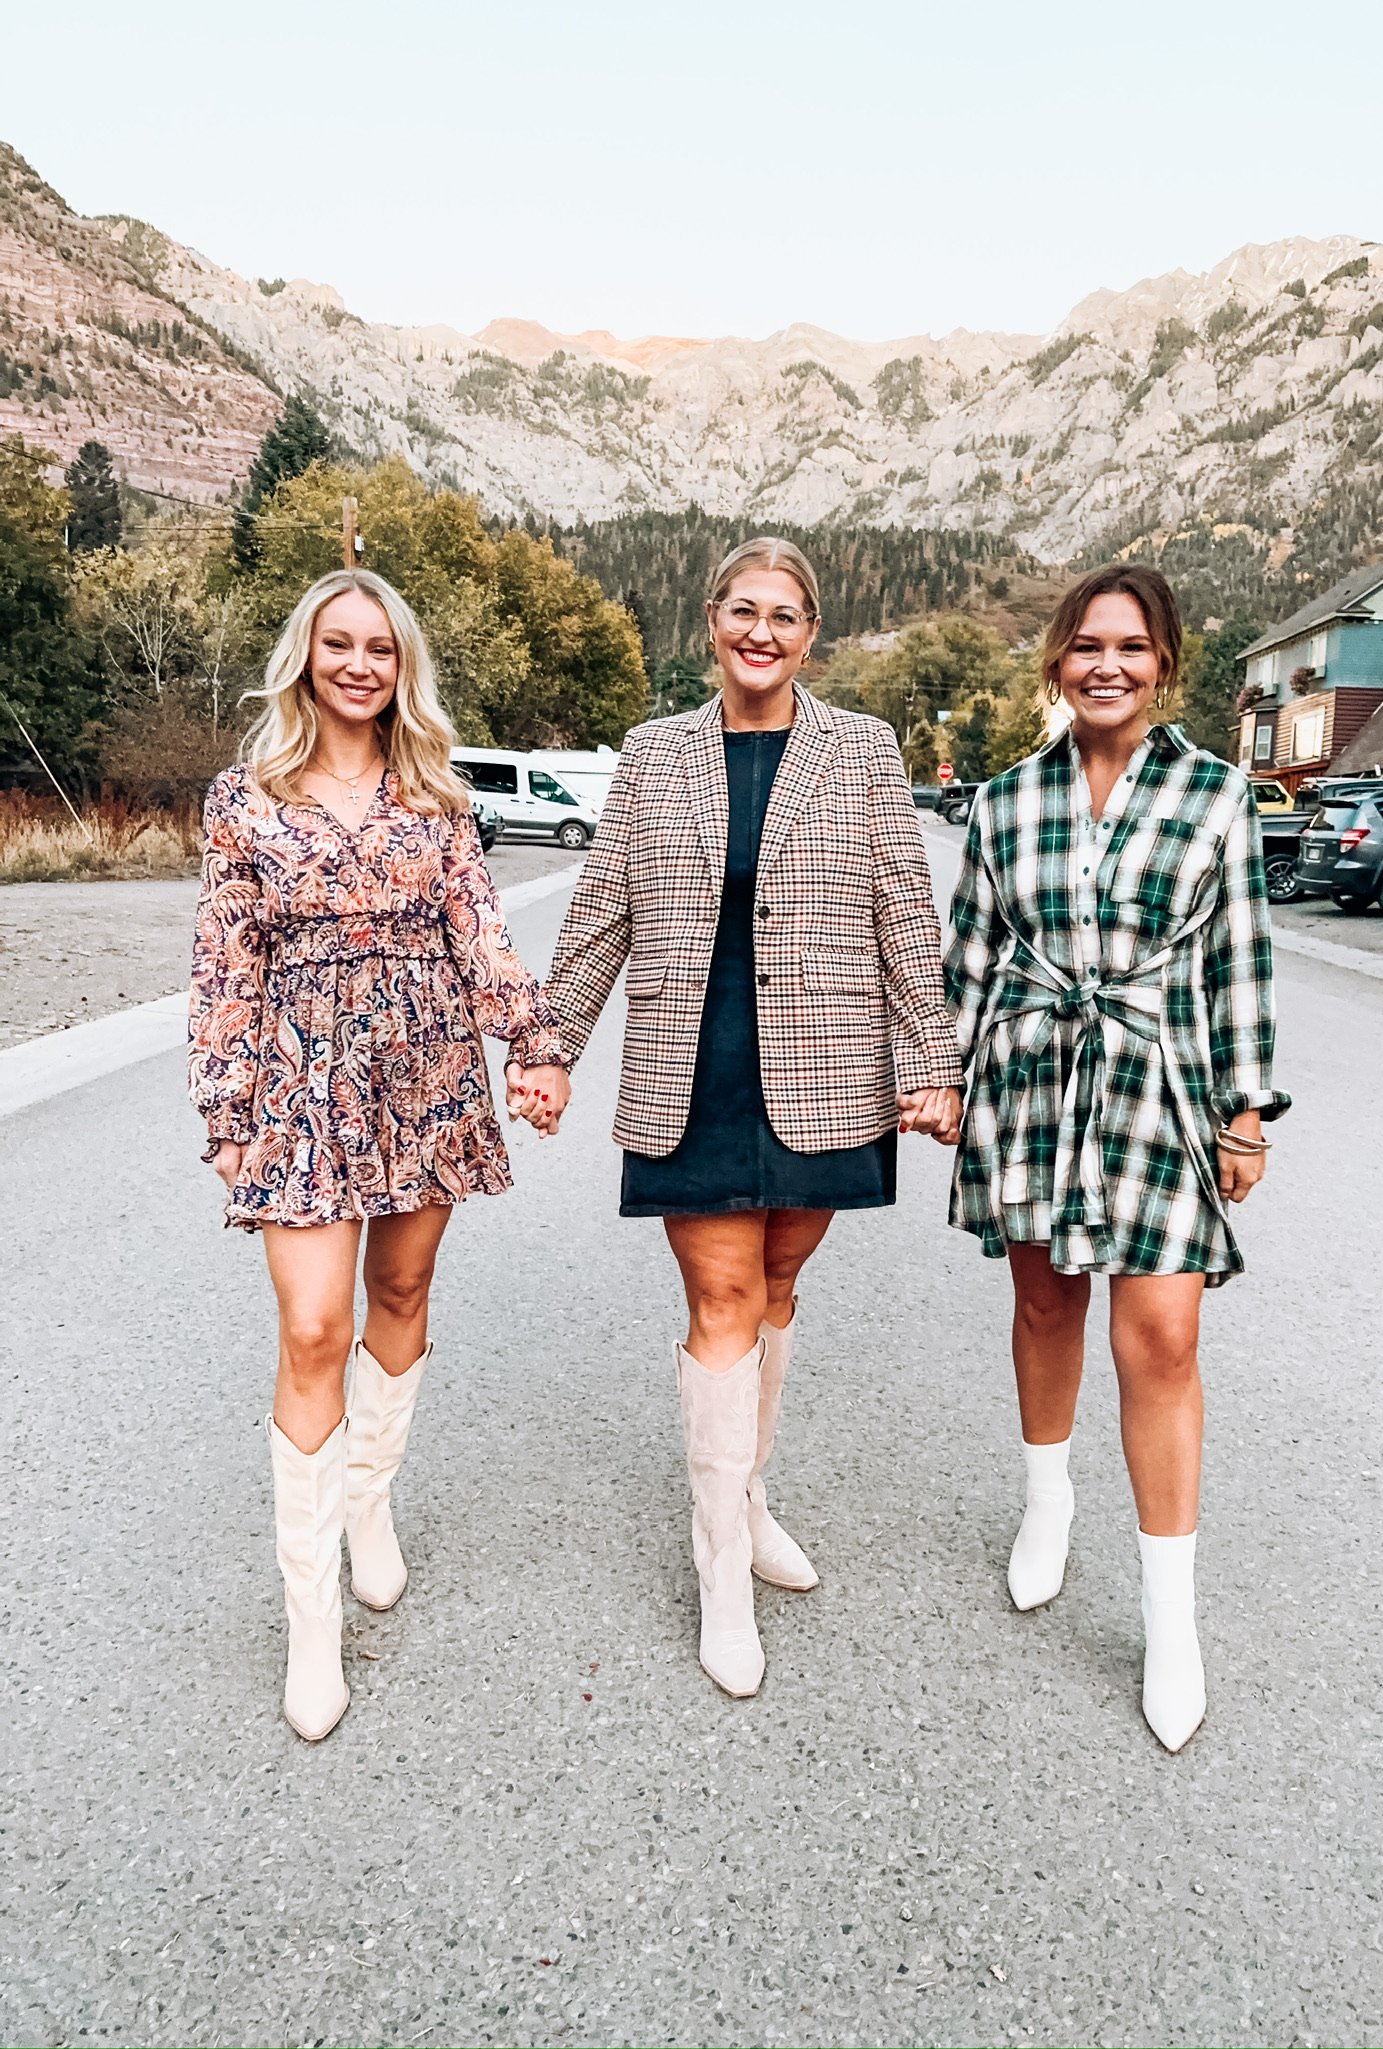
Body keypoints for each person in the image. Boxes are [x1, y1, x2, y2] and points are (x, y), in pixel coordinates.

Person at [544, 537, 961, 1698]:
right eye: (742, 610)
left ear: (810, 635)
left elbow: (902, 912)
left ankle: (749, 1490)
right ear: (712, 624)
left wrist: (933, 1060)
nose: (761, 631)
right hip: (694, 1060)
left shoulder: (863, 752)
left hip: (824, 1064)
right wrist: (549, 1049)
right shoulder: (652, 756)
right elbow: (599, 915)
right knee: (722, 1296)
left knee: (778, 1286)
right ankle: (720, 1566)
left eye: (785, 615)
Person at [189, 568, 570, 1741]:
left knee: (400, 1290)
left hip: (424, 1069)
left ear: (403, 666)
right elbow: (222, 962)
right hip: (300, 1080)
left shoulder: (436, 798)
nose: (358, 664)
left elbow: (482, 936)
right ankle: (312, 1627)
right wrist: (226, 1106)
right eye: (337, 644)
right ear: (305, 655)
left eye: (380, 648)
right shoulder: (244, 798)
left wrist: (535, 1043)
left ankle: (370, 1507)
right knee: (311, 1327)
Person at [945, 564, 1288, 1752]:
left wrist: (1246, 1112)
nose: (1107, 665)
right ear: (1056, 660)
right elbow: (971, 960)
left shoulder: (1216, 795)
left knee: (1163, 1338)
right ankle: (1048, 1505)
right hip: (1033, 1076)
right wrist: (941, 1073)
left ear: (1164, 665)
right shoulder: (1001, 802)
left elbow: (1238, 962)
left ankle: (1169, 1616)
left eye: (1131, 648)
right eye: (1086, 645)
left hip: (1157, 1083)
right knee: (1045, 1304)